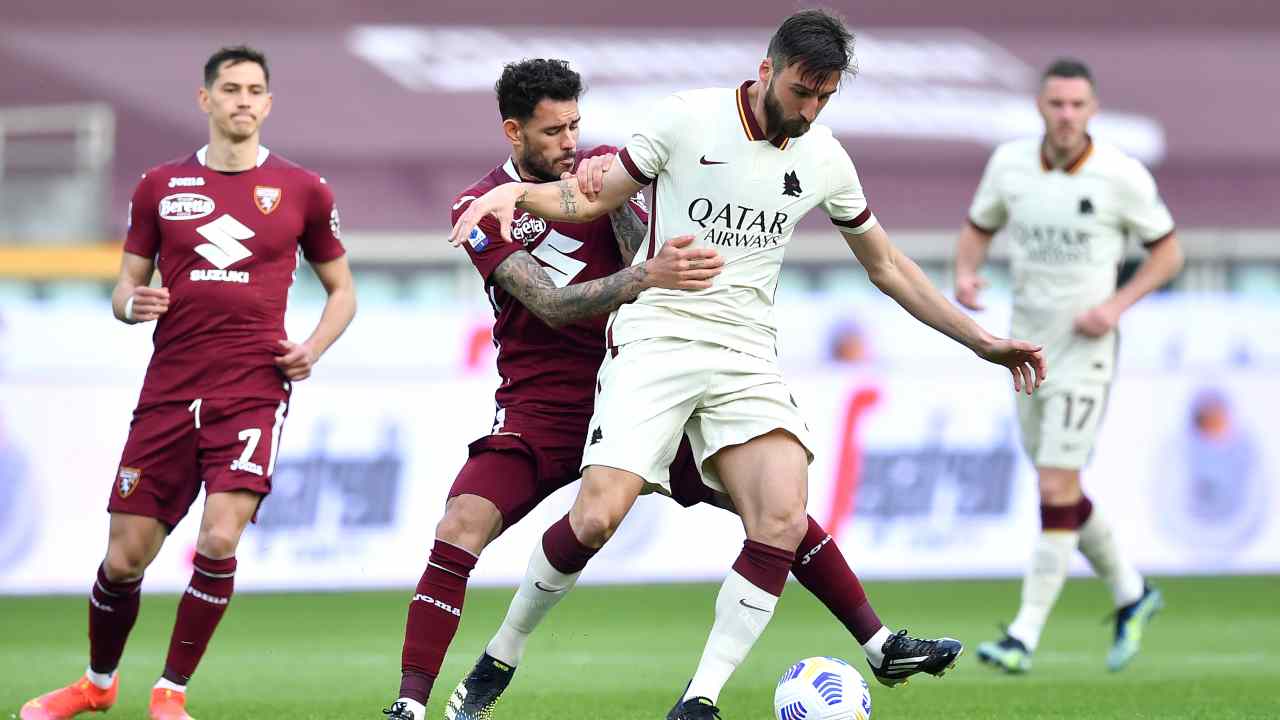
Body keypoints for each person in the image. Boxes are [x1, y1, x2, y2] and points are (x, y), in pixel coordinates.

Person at [450, 11, 1045, 719]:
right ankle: (503, 653)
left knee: (782, 516)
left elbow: (886, 265)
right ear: (767, 71)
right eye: (802, 91)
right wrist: (516, 192)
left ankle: (700, 699)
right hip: (659, 337)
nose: (811, 109)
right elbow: (590, 196)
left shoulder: (825, 158)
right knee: (598, 517)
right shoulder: (687, 119)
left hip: (745, 353)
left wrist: (981, 341)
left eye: (825, 97)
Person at [20, 45, 356, 720]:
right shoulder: (159, 186)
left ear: (268, 103)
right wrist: (131, 305)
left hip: (253, 389)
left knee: (219, 539)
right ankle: (97, 682)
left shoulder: (303, 189)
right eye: (230, 89)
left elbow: (342, 290)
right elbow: (124, 286)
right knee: (124, 560)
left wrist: (312, 348)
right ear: (205, 99)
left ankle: (170, 690)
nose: (242, 100)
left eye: (254, 90)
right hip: (170, 389)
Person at [954, 58, 1183, 674]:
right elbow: (977, 229)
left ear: (1093, 110)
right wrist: (966, 273)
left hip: (1085, 354)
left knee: (1055, 487)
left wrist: (1115, 306)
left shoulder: (1120, 174)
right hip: (1026, 352)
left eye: (1078, 105)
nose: (1066, 115)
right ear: (1040, 107)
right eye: (1057, 104)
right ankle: (1132, 592)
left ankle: (1023, 634)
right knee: (1061, 489)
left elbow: (1168, 254)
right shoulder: (1009, 165)